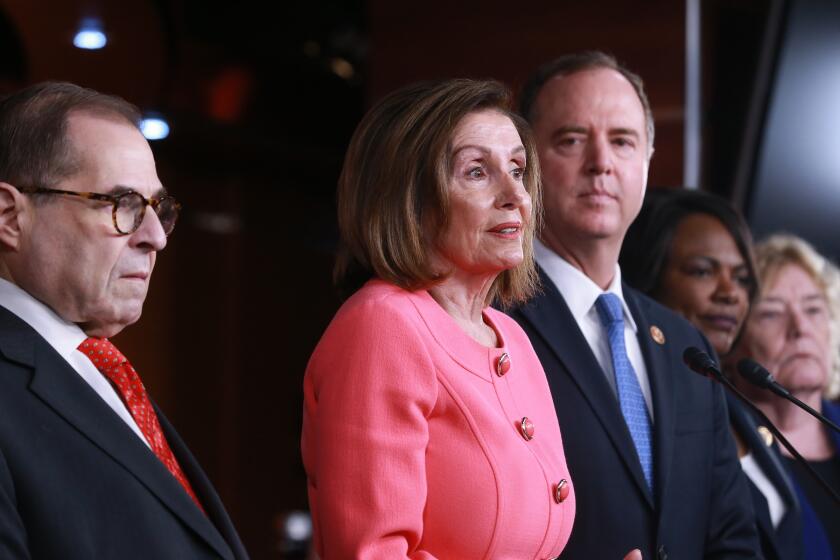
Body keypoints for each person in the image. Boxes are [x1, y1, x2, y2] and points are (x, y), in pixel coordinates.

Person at [301, 79, 578, 559]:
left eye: (517, 168)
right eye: (476, 172)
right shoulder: (382, 326)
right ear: (410, 200)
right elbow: (371, 553)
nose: (515, 193)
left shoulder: (510, 335)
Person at [508, 51, 760, 559]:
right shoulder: (490, 320)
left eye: (622, 141)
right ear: (525, 162)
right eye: (572, 140)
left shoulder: (686, 345)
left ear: (646, 161)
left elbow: (731, 538)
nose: (601, 162)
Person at [0, 82, 248, 559]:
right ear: (10, 216)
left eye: (159, 209)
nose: (156, 237)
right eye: (121, 205)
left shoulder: (96, 366)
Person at [621, 187, 804, 560]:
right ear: (650, 276)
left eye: (741, 279)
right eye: (703, 271)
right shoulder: (638, 409)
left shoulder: (740, 408)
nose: (730, 293)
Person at [727, 234, 840, 560]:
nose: (800, 327)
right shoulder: (722, 448)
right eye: (771, 313)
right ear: (734, 342)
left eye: (814, 309)